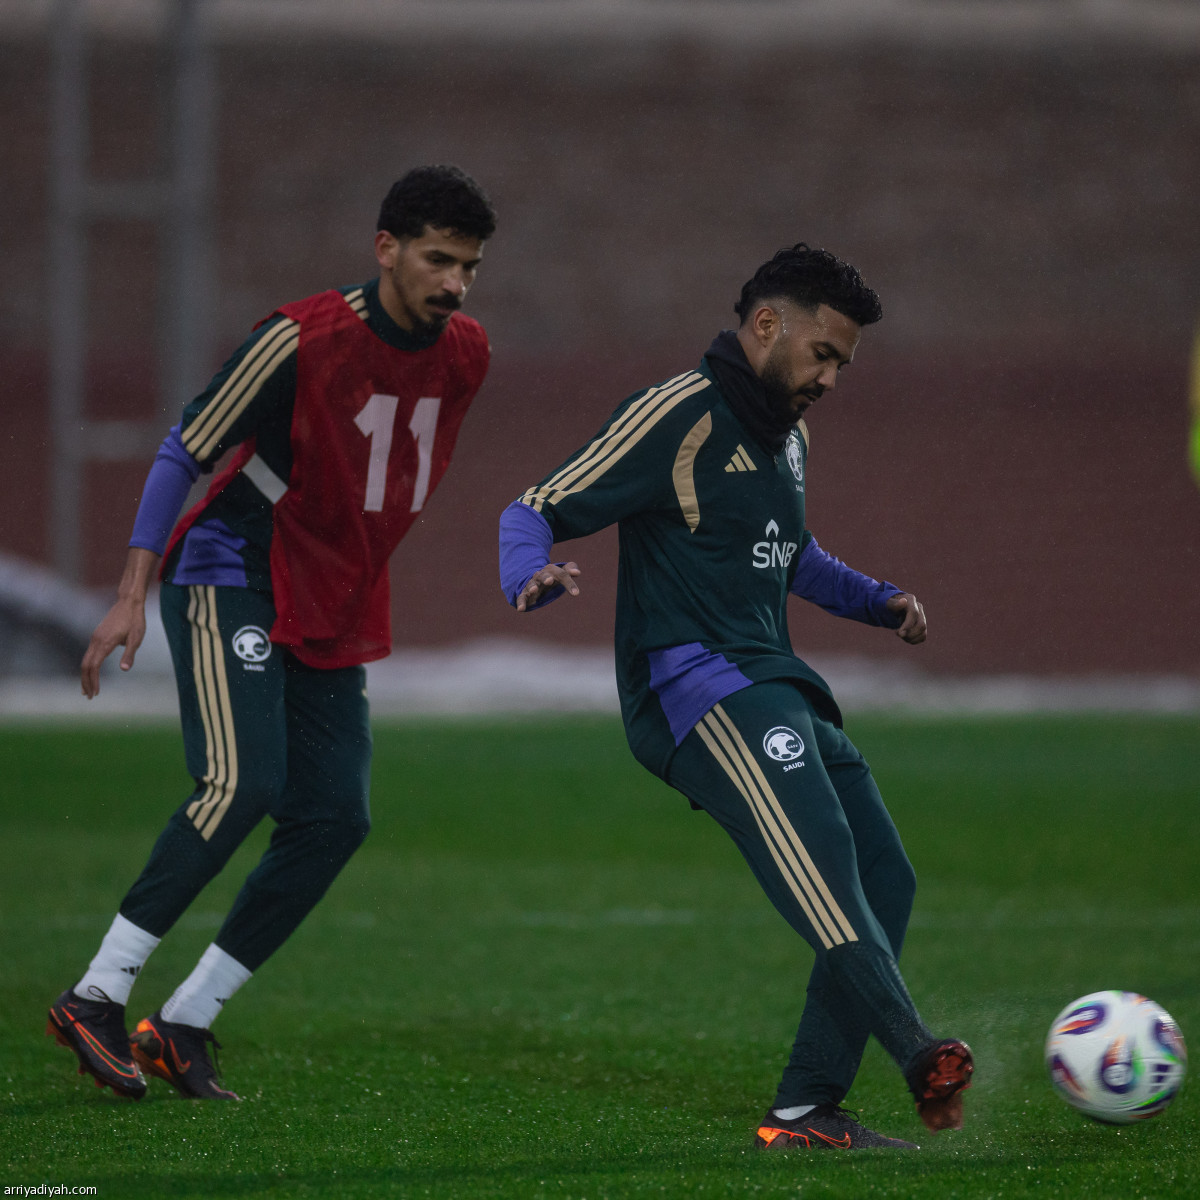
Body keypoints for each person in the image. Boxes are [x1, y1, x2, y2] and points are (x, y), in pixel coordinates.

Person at [498, 244, 973, 1149]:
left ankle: (805, 1112)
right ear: (765, 325)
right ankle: (918, 1051)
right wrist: (526, 571)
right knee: (821, 856)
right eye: (823, 354)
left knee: (885, 873)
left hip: (771, 681)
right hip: (692, 688)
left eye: (842, 364)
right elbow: (532, 507)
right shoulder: (675, 414)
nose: (830, 379)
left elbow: (789, 553)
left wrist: (878, 601)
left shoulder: (790, 435)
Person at [47, 165, 497, 1101]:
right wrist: (132, 593)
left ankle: (183, 1022)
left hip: (334, 595)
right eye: (438, 260)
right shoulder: (298, 337)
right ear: (386, 248)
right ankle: (95, 996)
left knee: (334, 818)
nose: (455, 283)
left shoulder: (466, 352)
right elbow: (186, 447)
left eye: (469, 267)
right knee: (242, 782)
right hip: (235, 569)